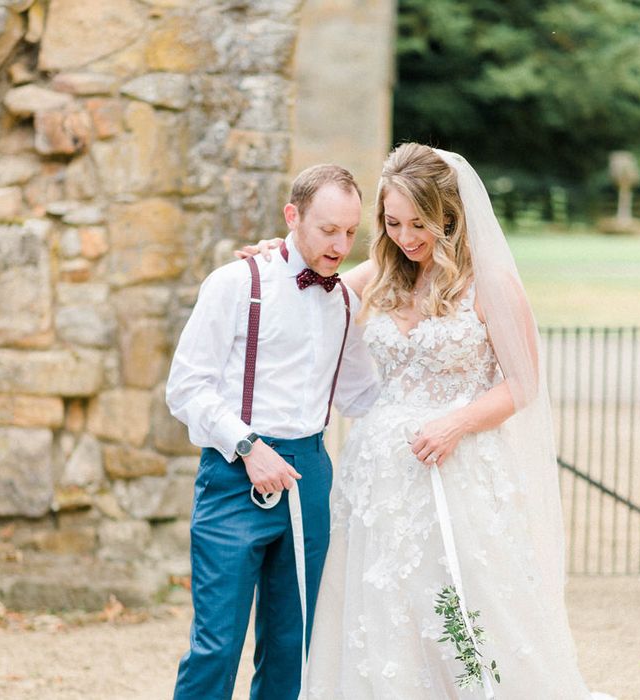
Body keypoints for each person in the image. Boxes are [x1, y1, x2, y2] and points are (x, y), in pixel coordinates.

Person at [245, 142, 615, 699]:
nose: (406, 236)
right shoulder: (381, 274)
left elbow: (523, 385)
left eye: (419, 223)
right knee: (383, 606)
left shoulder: (489, 284)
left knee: (464, 606)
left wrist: (456, 423)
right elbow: (309, 289)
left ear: (449, 216)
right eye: (392, 222)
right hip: (377, 479)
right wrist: (281, 252)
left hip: (459, 470)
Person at [165, 164, 379, 700]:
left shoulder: (346, 303)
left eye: (351, 232)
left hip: (310, 474)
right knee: (217, 644)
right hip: (237, 476)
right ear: (293, 216)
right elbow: (185, 387)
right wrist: (246, 445)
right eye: (328, 230)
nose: (340, 245)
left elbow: (358, 396)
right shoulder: (237, 283)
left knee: (292, 644)